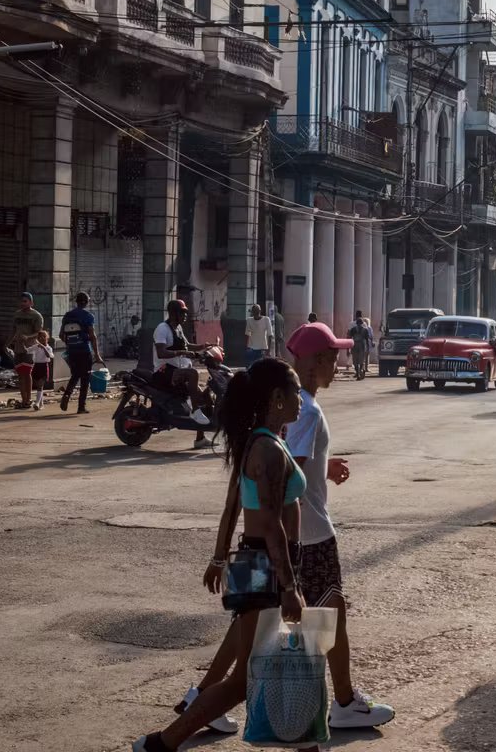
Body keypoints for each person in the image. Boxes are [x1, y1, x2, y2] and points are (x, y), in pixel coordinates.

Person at [132, 358, 307, 752]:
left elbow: (231, 506)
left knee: (270, 667)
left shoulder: (259, 442)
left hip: (256, 562)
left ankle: (305, 743)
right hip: (265, 565)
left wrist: (218, 558)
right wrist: (290, 585)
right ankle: (164, 741)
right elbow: (273, 525)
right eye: (295, 391)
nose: (300, 399)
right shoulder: (269, 450)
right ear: (277, 398)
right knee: (245, 679)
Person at [283, 322, 396, 728]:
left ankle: (205, 697)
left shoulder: (291, 402)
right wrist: (288, 540)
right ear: (318, 362)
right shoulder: (306, 409)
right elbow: (288, 478)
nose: (339, 364)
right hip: (310, 533)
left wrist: (322, 466)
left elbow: (294, 462)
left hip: (302, 534)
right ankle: (344, 703)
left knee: (318, 615)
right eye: (334, 358)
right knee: (325, 615)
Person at [154, 299, 214, 447]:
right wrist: (182, 352)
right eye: (182, 312)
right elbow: (161, 352)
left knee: (205, 397)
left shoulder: (178, 329)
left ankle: (200, 438)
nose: (185, 315)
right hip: (164, 371)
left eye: (186, 312)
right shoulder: (162, 328)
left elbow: (188, 346)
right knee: (193, 373)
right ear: (173, 313)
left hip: (178, 371)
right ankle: (194, 410)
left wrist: (203, 347)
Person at [59, 291, 103, 414]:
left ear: (76, 301)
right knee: (85, 378)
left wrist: (70, 344)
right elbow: (92, 336)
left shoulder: (67, 315)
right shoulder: (88, 316)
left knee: (75, 374)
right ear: (87, 302)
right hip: (84, 350)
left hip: (72, 351)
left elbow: (61, 335)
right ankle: (81, 407)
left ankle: (67, 394)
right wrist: (97, 354)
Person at [7, 292, 43, 409]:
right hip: (18, 348)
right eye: (21, 301)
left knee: (27, 374)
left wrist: (28, 337)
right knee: (20, 375)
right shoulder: (17, 315)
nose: (23, 303)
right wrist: (7, 344)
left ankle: (28, 400)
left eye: (25, 301)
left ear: (31, 302)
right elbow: (13, 330)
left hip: (30, 349)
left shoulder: (36, 316)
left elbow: (39, 333)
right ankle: (23, 400)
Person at [29, 330, 55, 411]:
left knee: (40, 385)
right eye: (40, 337)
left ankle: (37, 403)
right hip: (36, 366)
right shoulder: (35, 347)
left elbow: (49, 356)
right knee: (39, 386)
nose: (42, 338)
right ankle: (41, 404)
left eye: (44, 336)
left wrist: (43, 347)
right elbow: (27, 350)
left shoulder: (48, 348)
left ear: (47, 338)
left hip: (44, 366)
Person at [347, 311, 373, 381]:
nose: (359, 325)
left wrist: (367, 348)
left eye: (360, 324)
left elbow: (367, 339)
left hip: (360, 345)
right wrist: (348, 347)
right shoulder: (354, 329)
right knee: (356, 360)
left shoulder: (363, 330)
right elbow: (349, 337)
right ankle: (359, 372)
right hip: (357, 345)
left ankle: (360, 372)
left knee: (360, 360)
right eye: (358, 324)